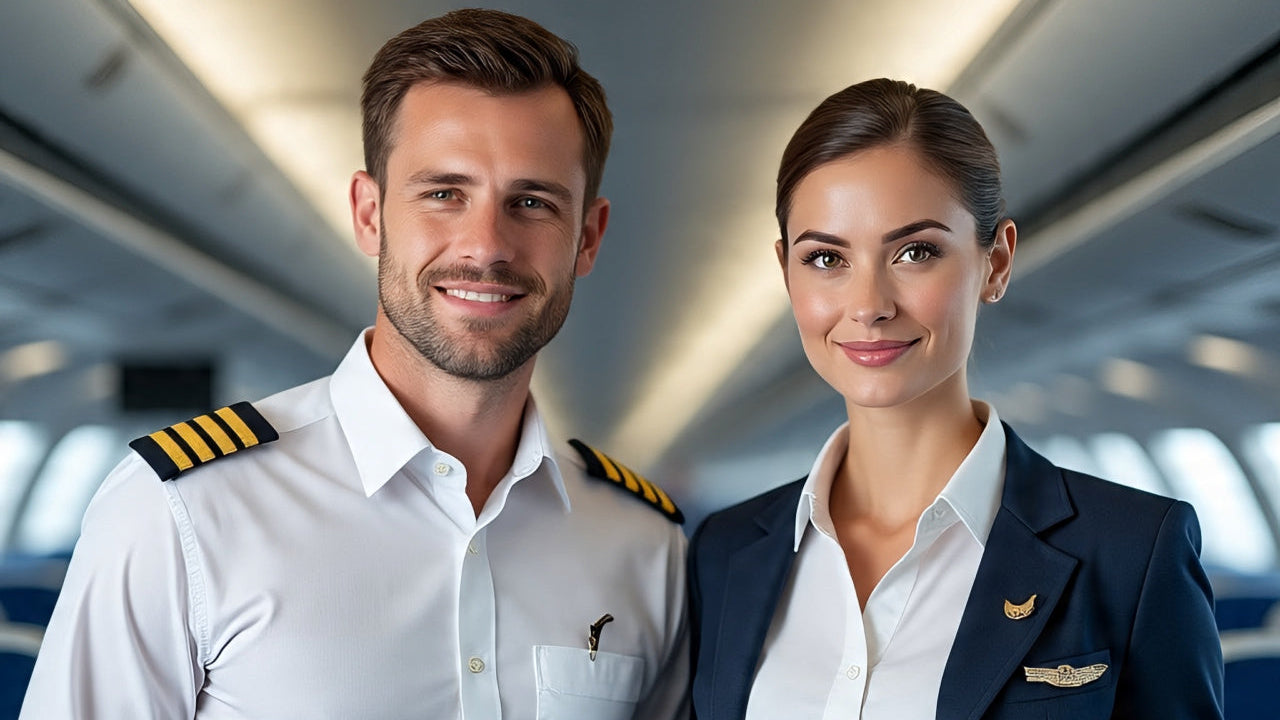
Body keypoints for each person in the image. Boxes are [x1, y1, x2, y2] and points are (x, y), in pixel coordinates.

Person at [21, 9, 688, 720]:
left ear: (587, 237)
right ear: (370, 213)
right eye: (443, 194)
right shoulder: (178, 513)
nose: (486, 245)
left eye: (531, 202)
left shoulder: (645, 544)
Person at [687, 78, 1222, 719]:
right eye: (826, 259)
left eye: (916, 252)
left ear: (994, 263)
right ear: (786, 272)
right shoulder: (725, 552)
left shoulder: (1133, 553)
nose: (869, 306)